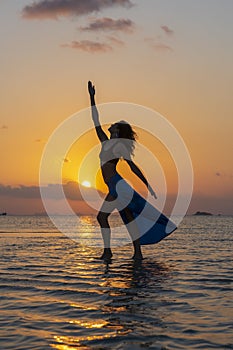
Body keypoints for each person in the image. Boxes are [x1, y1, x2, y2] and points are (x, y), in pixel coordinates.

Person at [88, 81, 157, 260]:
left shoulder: (119, 146)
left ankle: (110, 252)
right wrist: (92, 97)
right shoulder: (105, 141)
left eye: (114, 124)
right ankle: (136, 254)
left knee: (103, 217)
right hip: (114, 185)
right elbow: (95, 120)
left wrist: (147, 184)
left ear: (117, 130)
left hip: (116, 186)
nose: (110, 125)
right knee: (127, 218)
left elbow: (132, 166)